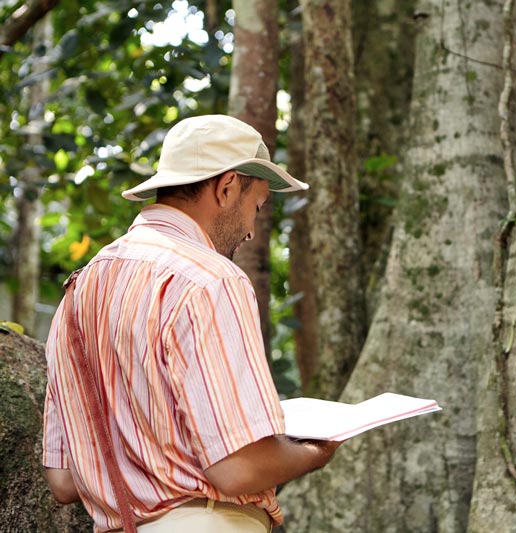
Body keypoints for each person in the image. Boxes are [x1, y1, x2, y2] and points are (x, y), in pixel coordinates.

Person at [42, 115, 340, 532]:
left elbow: (63, 480)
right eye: (257, 207)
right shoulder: (210, 279)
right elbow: (237, 470)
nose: (252, 231)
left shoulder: (77, 293)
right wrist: (318, 451)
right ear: (227, 187)